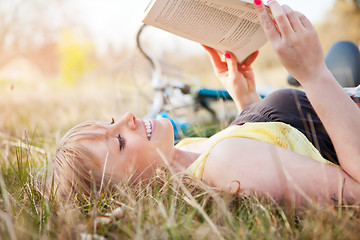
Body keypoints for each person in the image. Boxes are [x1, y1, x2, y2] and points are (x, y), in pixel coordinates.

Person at [53, 0, 360, 206]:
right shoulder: (226, 166)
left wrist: (246, 97)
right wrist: (314, 74)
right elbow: (355, 197)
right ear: (130, 191)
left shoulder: (188, 152)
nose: (128, 117)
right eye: (118, 140)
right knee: (344, 51)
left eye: (111, 122)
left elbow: (282, 145)